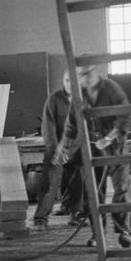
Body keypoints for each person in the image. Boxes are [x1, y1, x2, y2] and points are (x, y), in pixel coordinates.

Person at [53, 65, 131, 248]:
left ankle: (123, 230)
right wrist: (63, 147)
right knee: (94, 192)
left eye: (87, 74)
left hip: (116, 146)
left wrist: (109, 138)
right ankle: (98, 233)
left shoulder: (111, 88)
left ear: (95, 72)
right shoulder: (79, 95)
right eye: (80, 75)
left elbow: (126, 116)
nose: (84, 78)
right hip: (93, 148)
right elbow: (71, 124)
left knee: (121, 189)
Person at [33, 70, 84, 230]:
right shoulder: (53, 100)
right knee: (49, 183)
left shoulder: (83, 100)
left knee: (78, 181)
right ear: (63, 81)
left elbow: (84, 126)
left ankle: (75, 214)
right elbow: (48, 128)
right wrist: (57, 150)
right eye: (67, 81)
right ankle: (41, 218)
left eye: (73, 81)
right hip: (56, 149)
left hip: (76, 149)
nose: (70, 85)